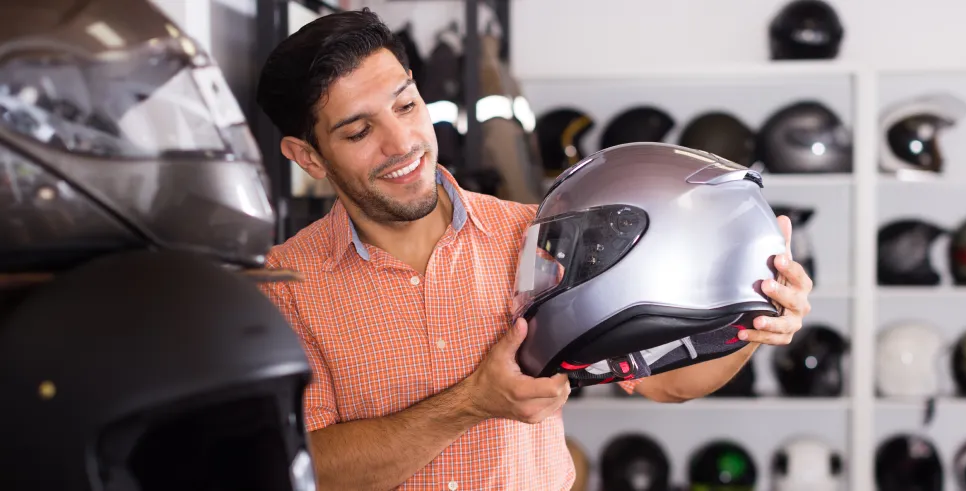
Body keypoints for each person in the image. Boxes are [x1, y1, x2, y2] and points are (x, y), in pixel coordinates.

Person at [254, 8, 814, 491]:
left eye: (406, 106)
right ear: (308, 157)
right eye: (358, 132)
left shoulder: (537, 233)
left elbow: (664, 382)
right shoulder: (285, 284)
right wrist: (471, 402)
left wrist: (755, 319)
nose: (402, 144)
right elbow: (307, 469)